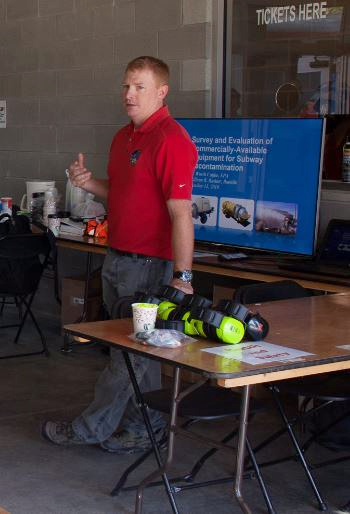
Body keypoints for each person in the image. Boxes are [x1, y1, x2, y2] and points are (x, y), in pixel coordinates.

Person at [42, 56, 198, 453]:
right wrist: (88, 182)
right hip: (118, 259)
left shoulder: (171, 140)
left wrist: (183, 276)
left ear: (162, 92)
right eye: (126, 86)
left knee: (127, 354)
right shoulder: (124, 137)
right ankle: (147, 428)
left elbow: (181, 213)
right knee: (136, 355)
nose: (129, 94)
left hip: (149, 267)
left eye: (139, 87)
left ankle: (90, 429)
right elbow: (124, 192)